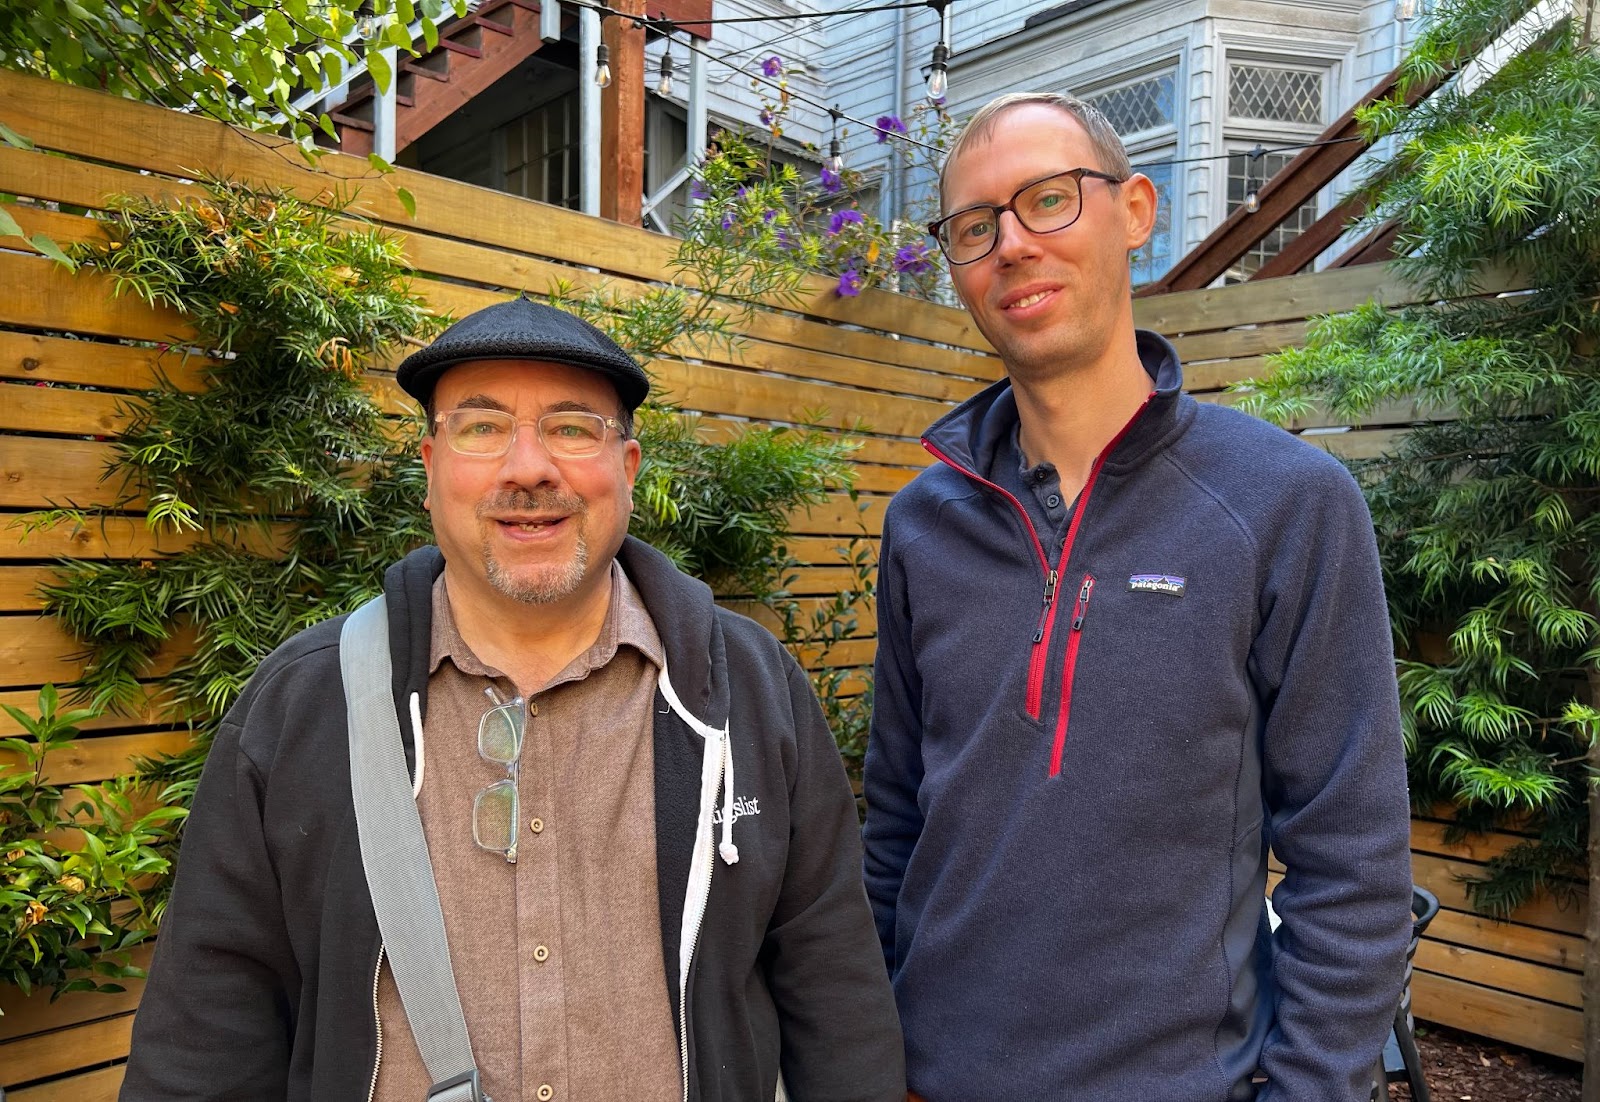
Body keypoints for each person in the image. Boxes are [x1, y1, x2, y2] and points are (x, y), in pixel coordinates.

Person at [121, 297, 904, 1102]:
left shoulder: (750, 690)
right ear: (430, 469)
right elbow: (208, 1025)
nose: (528, 469)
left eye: (571, 428)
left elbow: (834, 985)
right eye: (482, 428)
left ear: (627, 469)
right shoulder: (305, 703)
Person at [862, 92, 1414, 1101]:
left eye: (1049, 200)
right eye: (974, 227)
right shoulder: (920, 526)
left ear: (1134, 210)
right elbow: (895, 822)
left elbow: (1353, 865)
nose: (1013, 246)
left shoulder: (1284, 503)